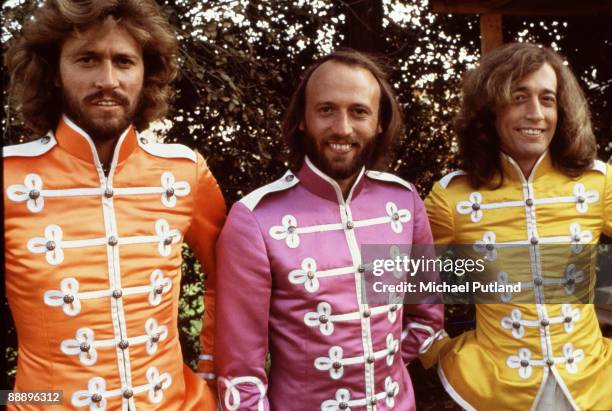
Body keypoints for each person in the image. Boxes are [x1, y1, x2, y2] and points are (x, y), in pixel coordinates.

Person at [4, 1, 225, 409]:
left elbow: (228, 277)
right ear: (54, 73)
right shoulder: (8, 179)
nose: (108, 80)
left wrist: (211, 369)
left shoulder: (185, 173)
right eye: (87, 59)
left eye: (124, 61)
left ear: (145, 73)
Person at [214, 49, 445, 411]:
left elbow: (427, 318)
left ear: (379, 122)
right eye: (326, 110)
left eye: (359, 112)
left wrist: (377, 367)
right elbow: (241, 372)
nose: (342, 128)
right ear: (303, 119)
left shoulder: (404, 202)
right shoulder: (254, 219)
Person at [425, 43, 612, 410]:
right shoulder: (452, 197)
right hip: (494, 390)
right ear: (490, 109)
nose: (536, 114)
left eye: (547, 99)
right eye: (518, 97)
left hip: (592, 387)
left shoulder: (599, 182)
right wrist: (435, 346)